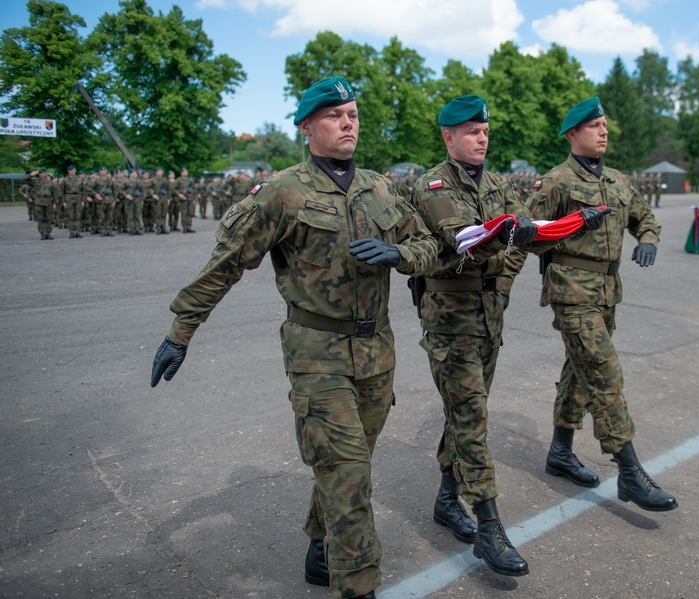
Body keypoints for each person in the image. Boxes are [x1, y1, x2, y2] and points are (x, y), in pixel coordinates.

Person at [149, 76, 437, 599]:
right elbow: (225, 264)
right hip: (316, 353)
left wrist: (402, 256)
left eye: (352, 113)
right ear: (307, 127)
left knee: (345, 462)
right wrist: (180, 331)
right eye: (333, 115)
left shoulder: (380, 187)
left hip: (377, 352)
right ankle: (359, 586)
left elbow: (427, 244)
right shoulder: (284, 191)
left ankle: (318, 547)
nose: (347, 122)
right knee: (349, 475)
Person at [509, 97, 677, 512]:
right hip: (571, 291)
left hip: (606, 291)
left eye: (605, 124)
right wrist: (501, 284)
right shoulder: (556, 182)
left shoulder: (618, 180)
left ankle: (561, 452)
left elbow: (645, 218)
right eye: (594, 126)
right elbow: (525, 235)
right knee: (605, 374)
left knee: (578, 372)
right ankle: (630, 472)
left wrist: (649, 241)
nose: (603, 131)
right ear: (573, 134)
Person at [411, 95, 547, 578]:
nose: (482, 137)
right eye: (471, 130)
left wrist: (505, 282)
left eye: (485, 129)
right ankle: (489, 527)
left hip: (489, 313)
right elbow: (465, 236)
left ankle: (448, 500)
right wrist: (513, 234)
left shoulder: (497, 183)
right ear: (448, 137)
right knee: (471, 416)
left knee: (465, 413)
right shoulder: (432, 184)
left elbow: (523, 234)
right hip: (450, 318)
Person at [61, 165, 84, 238]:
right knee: (70, 216)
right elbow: (62, 191)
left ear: (75, 170)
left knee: (78, 216)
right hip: (69, 198)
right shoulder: (65, 180)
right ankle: (71, 232)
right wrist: (63, 201)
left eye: (73, 170)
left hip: (78, 198)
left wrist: (82, 200)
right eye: (70, 170)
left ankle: (77, 231)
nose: (72, 171)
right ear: (68, 171)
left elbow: (83, 190)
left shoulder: (79, 179)